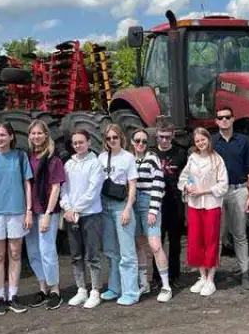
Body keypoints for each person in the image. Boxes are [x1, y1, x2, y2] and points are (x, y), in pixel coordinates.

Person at [0, 121, 33, 315]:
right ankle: (0, 296)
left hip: (17, 211)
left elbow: (27, 184)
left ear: (11, 136)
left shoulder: (20, 157)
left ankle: (13, 295)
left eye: (3, 135)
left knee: (15, 253)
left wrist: (28, 210)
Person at [178, 127, 229, 297]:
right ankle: (202, 276)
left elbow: (223, 185)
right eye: (198, 141)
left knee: (211, 241)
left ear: (208, 139)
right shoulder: (192, 158)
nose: (201, 143)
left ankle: (211, 279)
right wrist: (187, 186)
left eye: (203, 139)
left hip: (211, 205)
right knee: (196, 240)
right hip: (194, 205)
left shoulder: (217, 160)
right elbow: (183, 178)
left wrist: (204, 191)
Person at [211, 107, 249, 290]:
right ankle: (211, 275)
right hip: (218, 193)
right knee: (217, 235)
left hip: (239, 190)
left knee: (240, 234)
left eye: (227, 117)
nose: (224, 120)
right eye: (220, 118)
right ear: (216, 121)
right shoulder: (212, 141)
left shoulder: (244, 141)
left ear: (233, 119)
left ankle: (245, 273)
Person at [24, 119, 67, 310]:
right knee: (33, 252)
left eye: (39, 133)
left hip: (47, 210)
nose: (36, 136)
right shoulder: (27, 158)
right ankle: (43, 288)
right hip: (30, 211)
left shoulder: (54, 160)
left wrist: (49, 213)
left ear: (46, 135)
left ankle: (55, 289)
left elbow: (56, 188)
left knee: (47, 250)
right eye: (33, 133)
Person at [60, 128, 105, 309]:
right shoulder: (68, 164)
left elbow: (93, 191)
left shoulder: (94, 164)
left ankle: (95, 290)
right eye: (75, 143)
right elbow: (64, 189)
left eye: (81, 142)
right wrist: (68, 209)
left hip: (91, 215)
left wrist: (76, 209)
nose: (78, 145)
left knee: (93, 254)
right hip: (73, 216)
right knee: (76, 255)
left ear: (88, 142)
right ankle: (81, 289)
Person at [98, 123, 140, 306]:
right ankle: (115, 287)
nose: (112, 141)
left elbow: (132, 186)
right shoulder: (101, 158)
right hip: (105, 206)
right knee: (110, 250)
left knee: (127, 251)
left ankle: (131, 291)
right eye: (108, 138)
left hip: (121, 206)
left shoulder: (128, 158)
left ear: (121, 137)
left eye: (115, 137)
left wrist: (128, 208)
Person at [130, 128, 173, 303]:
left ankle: (166, 285)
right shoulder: (129, 160)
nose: (141, 144)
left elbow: (158, 183)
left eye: (144, 141)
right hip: (133, 203)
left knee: (155, 245)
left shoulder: (152, 158)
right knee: (139, 244)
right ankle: (143, 282)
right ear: (132, 142)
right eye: (137, 140)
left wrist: (153, 210)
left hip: (148, 202)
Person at [152, 119, 187, 289]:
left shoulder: (181, 153)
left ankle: (175, 275)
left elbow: (188, 175)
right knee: (157, 242)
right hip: (156, 204)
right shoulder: (151, 154)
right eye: (161, 137)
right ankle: (157, 276)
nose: (164, 141)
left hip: (175, 202)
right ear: (156, 136)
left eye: (167, 137)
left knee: (175, 242)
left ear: (172, 136)